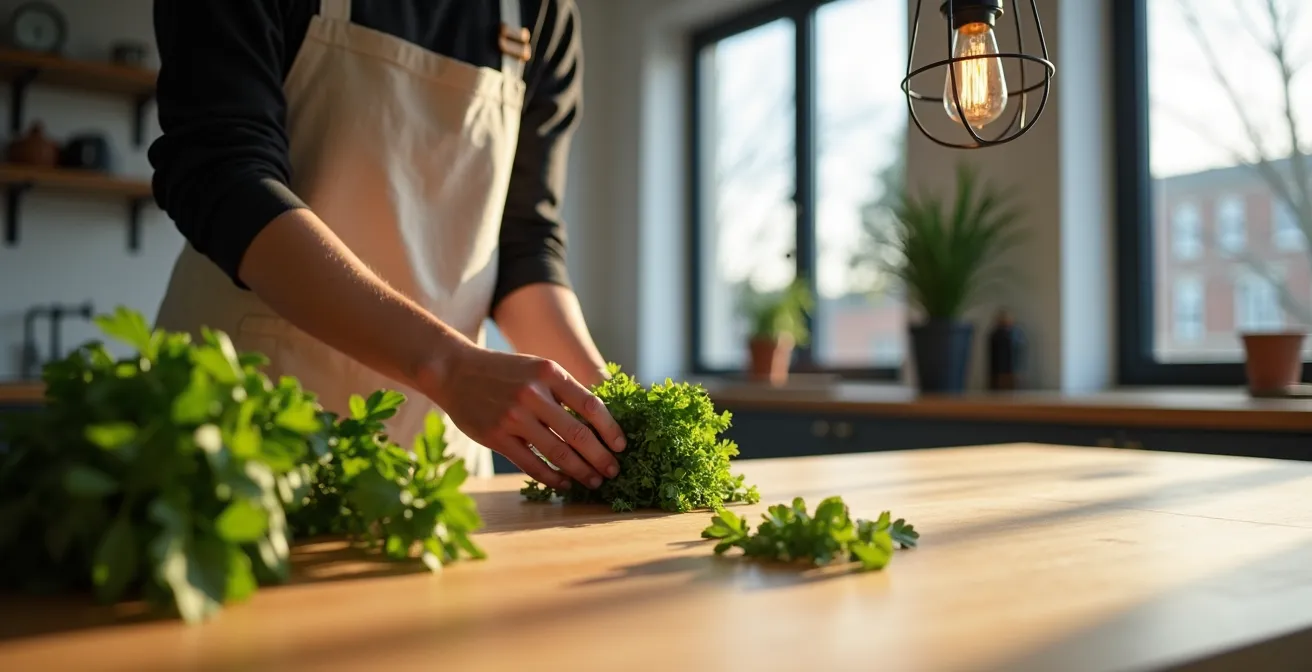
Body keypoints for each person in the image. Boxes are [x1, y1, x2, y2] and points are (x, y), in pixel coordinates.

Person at [148, 0, 625, 490]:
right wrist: (449, 367)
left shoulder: (542, 11)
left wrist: (612, 411)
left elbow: (524, 240)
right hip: (242, 430)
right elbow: (224, 173)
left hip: (432, 454)